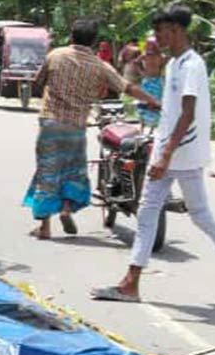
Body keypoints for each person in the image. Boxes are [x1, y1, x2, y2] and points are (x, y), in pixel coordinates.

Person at [92, 4, 215, 303]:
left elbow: (187, 113)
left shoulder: (191, 64)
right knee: (170, 214)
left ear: (176, 29)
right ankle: (130, 283)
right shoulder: (174, 64)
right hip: (174, 152)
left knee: (173, 214)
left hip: (179, 154)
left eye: (161, 30)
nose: (157, 36)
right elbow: (174, 111)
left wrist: (165, 156)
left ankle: (130, 284)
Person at [23, 19, 159, 240]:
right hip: (76, 126)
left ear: (71, 36)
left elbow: (38, 83)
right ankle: (66, 208)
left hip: (50, 122)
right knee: (73, 170)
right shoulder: (99, 65)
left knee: (47, 172)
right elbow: (127, 87)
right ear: (94, 42)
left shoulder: (55, 55)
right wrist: (152, 100)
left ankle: (45, 227)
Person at [136, 36, 165, 131]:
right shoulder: (144, 55)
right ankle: (142, 126)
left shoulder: (161, 56)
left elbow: (163, 66)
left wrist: (161, 74)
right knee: (143, 102)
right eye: (149, 45)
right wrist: (142, 72)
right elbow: (136, 62)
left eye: (152, 45)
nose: (150, 47)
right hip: (147, 80)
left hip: (156, 81)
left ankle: (152, 128)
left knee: (155, 103)